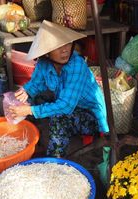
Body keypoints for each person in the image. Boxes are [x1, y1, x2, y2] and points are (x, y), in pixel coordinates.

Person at [9, 20, 109, 157]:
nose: (65, 50)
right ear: (46, 52)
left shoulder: (77, 65)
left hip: (90, 116)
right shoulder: (44, 63)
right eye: (58, 46)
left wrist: (30, 110)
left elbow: (66, 106)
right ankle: (33, 139)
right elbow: (37, 83)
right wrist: (25, 91)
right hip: (68, 106)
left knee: (58, 117)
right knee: (32, 99)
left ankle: (55, 161)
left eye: (67, 44)